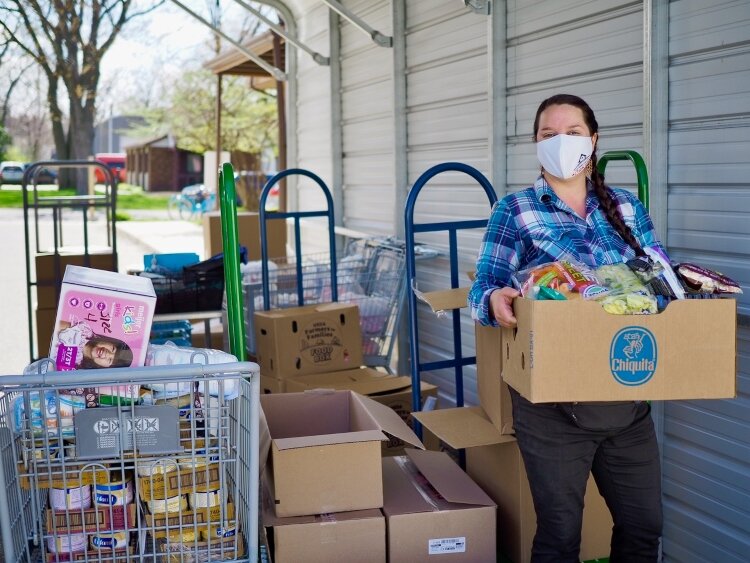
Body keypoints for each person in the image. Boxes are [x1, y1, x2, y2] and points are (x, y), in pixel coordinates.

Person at [468, 93, 663, 562]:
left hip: (624, 390)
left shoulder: (628, 209)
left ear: (593, 140)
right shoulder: (514, 210)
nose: (560, 142)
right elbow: (484, 290)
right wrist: (496, 300)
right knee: (559, 535)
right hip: (552, 403)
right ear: (535, 144)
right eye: (547, 134)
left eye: (572, 133)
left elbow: (660, 283)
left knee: (644, 527)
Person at [55, 320, 134, 369]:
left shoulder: (76, 368)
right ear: (109, 340)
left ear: (104, 367)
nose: (107, 353)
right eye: (113, 349)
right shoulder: (84, 331)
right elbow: (54, 325)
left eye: (110, 360)